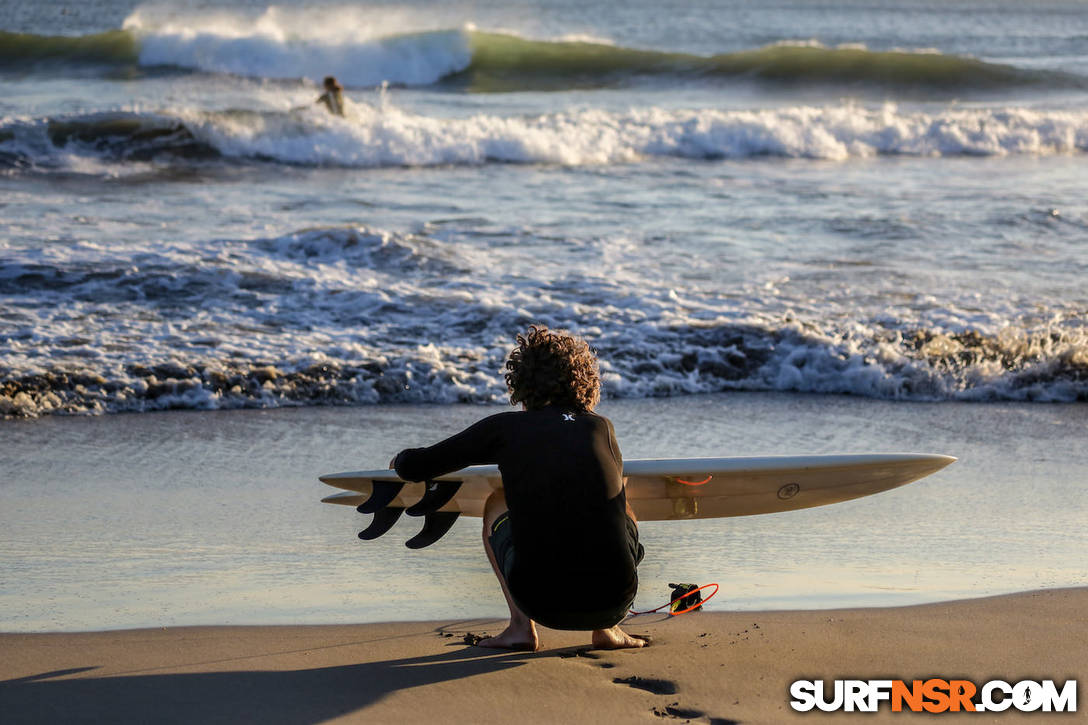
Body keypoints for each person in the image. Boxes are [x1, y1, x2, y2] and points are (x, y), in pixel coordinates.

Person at [390, 326, 648, 651]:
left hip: (540, 601)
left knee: (497, 501)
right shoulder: (601, 427)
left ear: (521, 382)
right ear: (585, 381)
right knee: (619, 504)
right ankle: (608, 630)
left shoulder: (506, 429)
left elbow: (421, 465)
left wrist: (399, 461)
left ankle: (520, 629)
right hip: (615, 600)